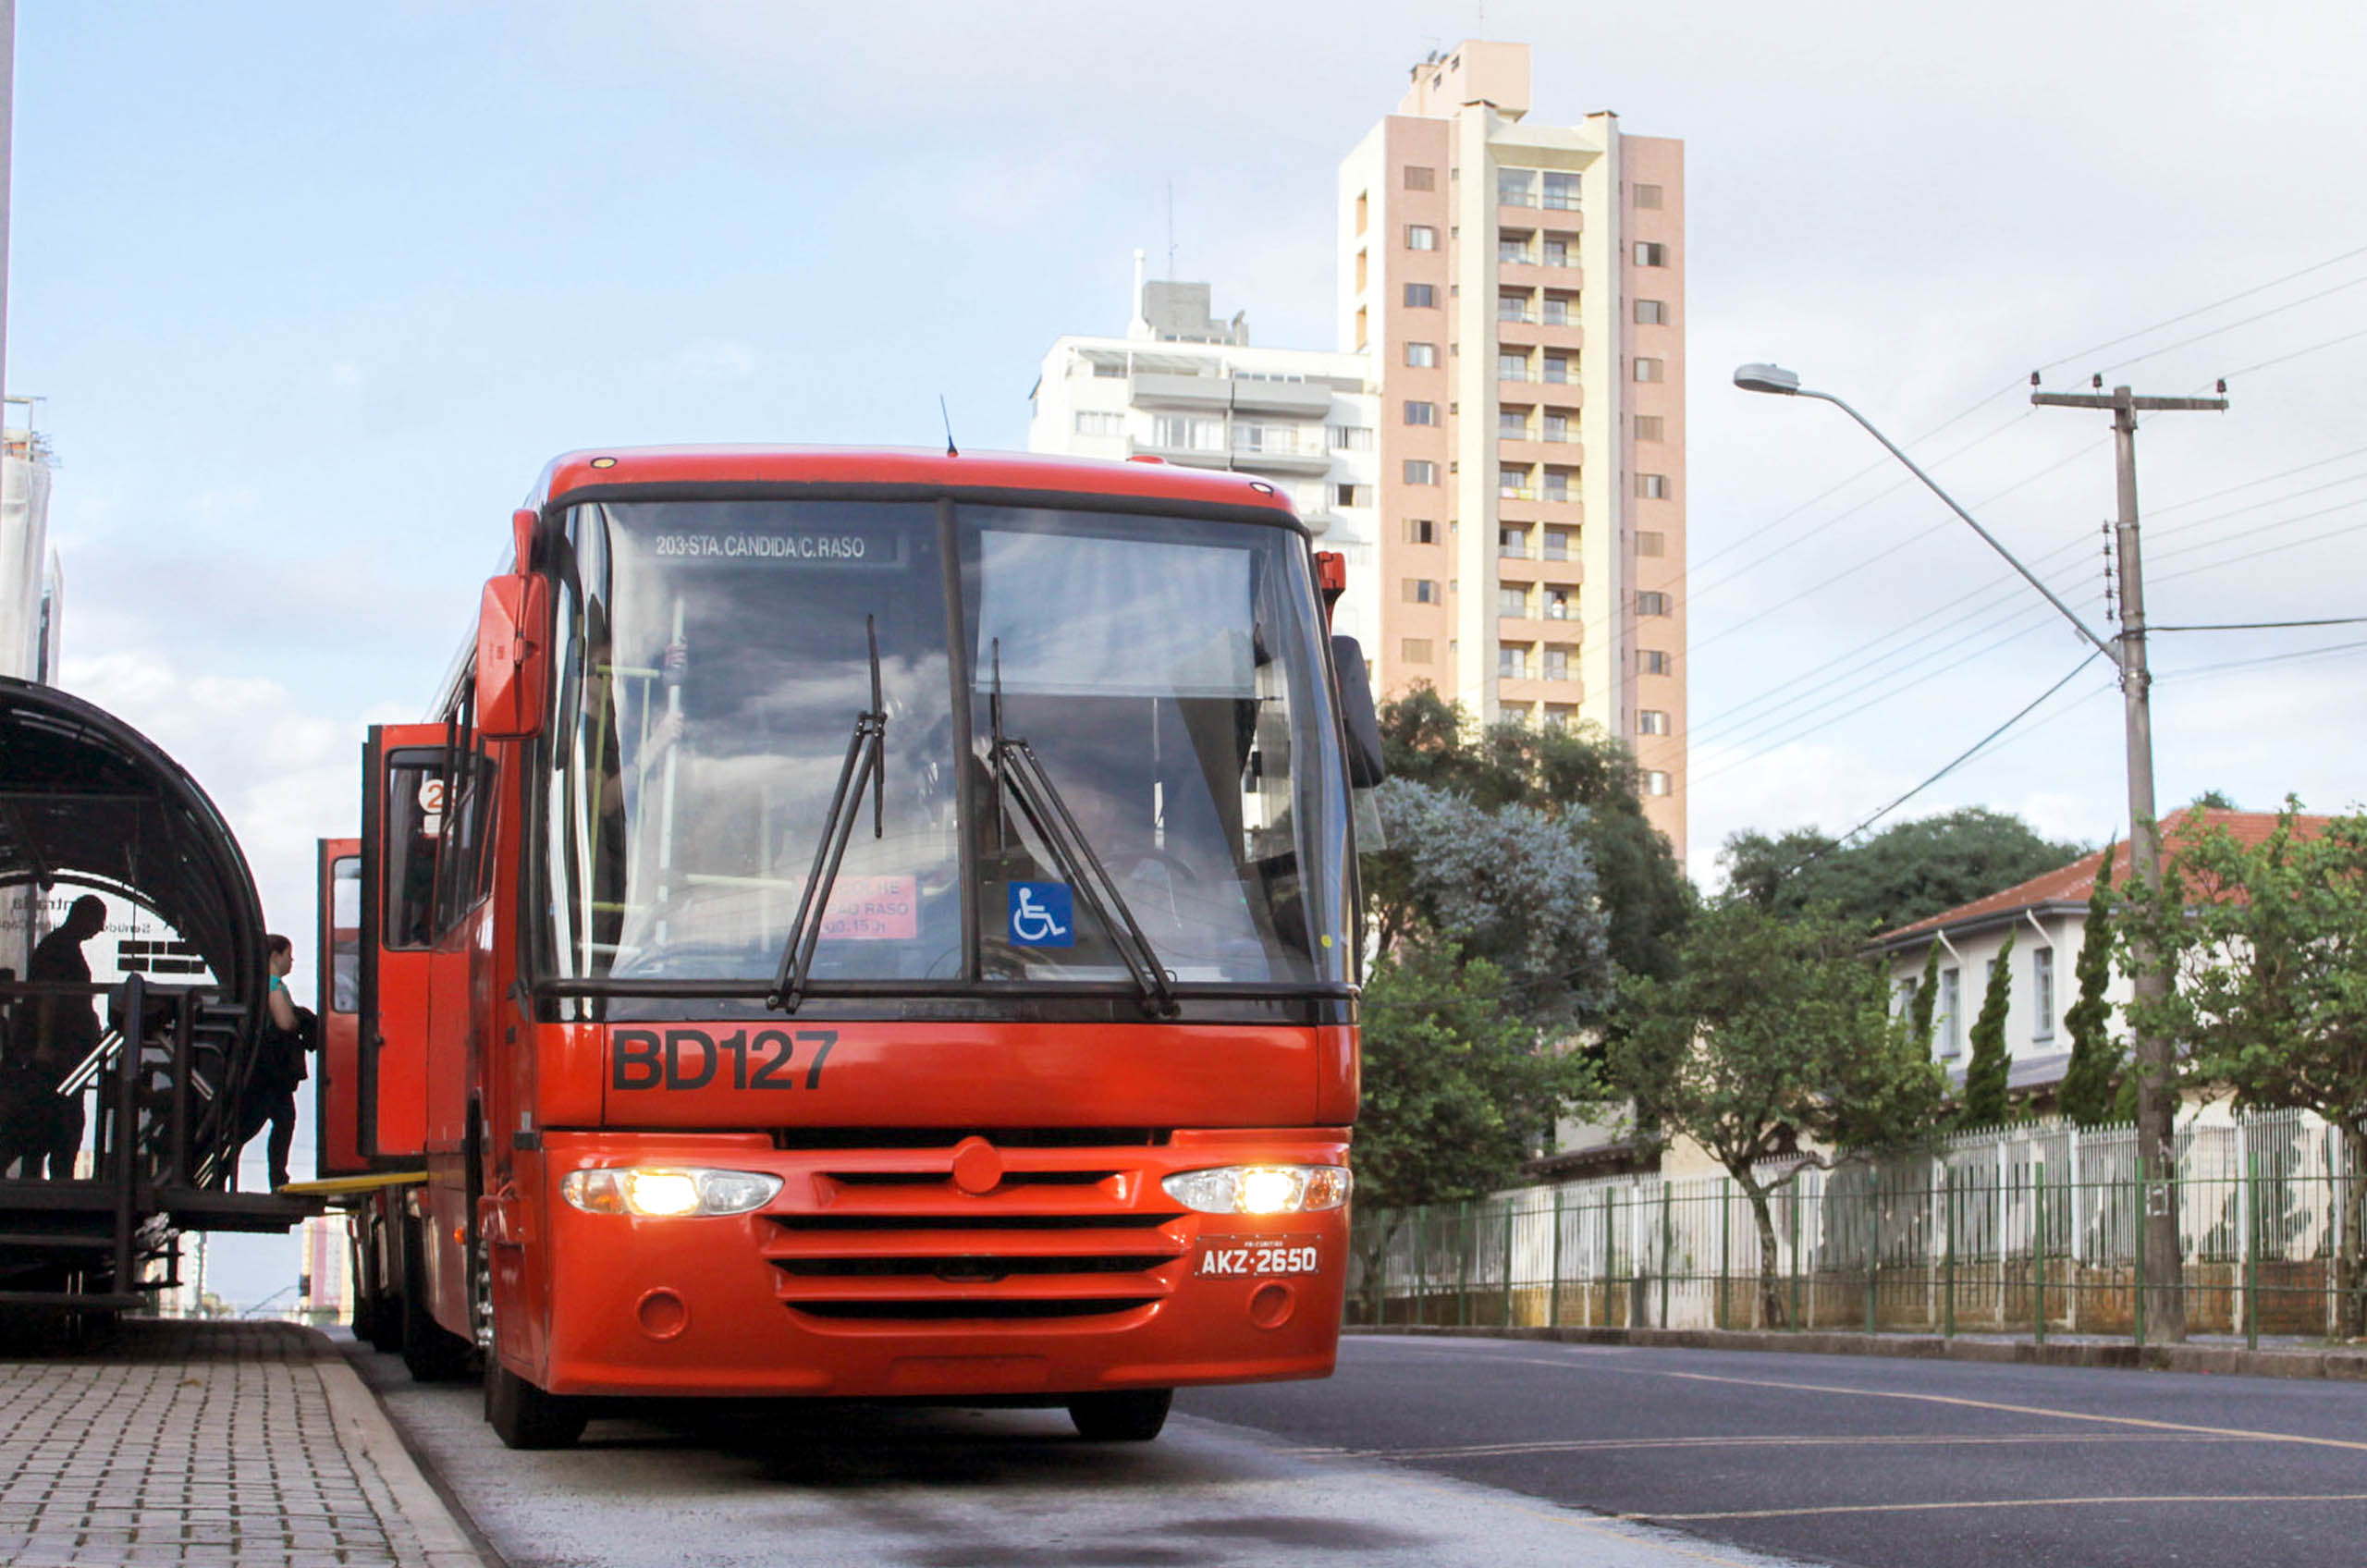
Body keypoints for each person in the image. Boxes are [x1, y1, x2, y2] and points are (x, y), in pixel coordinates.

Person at [19, 896, 107, 1180]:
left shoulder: (59, 947)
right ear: (85, 917)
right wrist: (44, 1046)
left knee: (49, 1125)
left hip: (62, 1058)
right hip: (58, 1059)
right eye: (98, 923)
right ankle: (53, 1181)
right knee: (59, 1124)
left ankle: (43, 1179)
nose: (99, 930)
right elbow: (48, 996)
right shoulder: (59, 950)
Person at [237, 934, 313, 1191]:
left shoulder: (259, 984)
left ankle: (272, 1177)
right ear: (274, 956)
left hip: (265, 1072)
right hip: (271, 1074)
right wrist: (298, 1020)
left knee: (270, 1121)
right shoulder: (272, 985)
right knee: (275, 1121)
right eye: (288, 955)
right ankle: (278, 1179)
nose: (292, 961)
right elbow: (284, 1022)